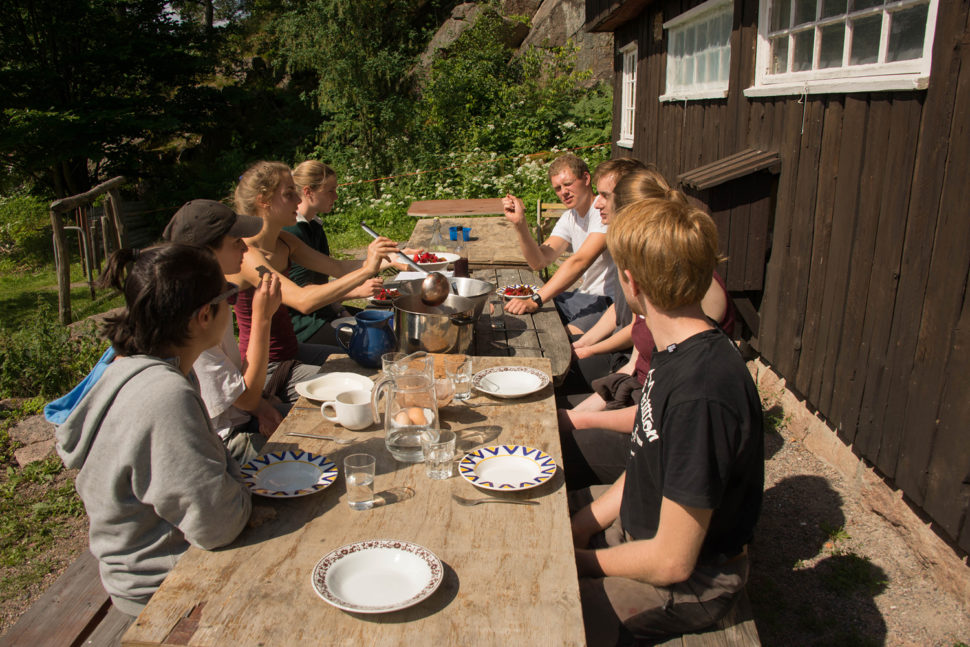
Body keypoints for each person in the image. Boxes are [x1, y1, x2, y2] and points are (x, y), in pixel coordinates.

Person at [570, 198, 764, 645]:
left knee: (545, 609)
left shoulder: (703, 393)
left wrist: (575, 560)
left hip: (691, 583)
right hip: (637, 527)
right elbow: (642, 461)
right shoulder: (675, 346)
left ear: (630, 281)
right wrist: (579, 526)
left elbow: (671, 562)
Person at [51, 243, 252, 617]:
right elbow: (219, 525)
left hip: (153, 561)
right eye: (230, 296)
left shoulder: (144, 366)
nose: (233, 305)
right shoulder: (166, 395)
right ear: (205, 315)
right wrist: (239, 487)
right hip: (163, 584)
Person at [559, 168, 735, 488]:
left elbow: (657, 422)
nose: (598, 204)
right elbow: (634, 367)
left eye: (606, 196)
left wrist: (577, 420)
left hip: (650, 437)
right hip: (640, 408)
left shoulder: (692, 351)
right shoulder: (668, 311)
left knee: (551, 451)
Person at [228, 161, 400, 402]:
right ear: (263, 200)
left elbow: (338, 267)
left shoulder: (284, 241)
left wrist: (394, 258)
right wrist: (366, 271)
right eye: (289, 194)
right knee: (371, 386)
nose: (298, 202)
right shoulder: (246, 255)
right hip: (267, 369)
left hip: (293, 351)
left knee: (374, 363)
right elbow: (303, 301)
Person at [163, 199, 284, 465]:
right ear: (206, 253)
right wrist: (262, 318)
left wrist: (262, 404)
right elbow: (244, 398)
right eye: (235, 242)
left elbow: (239, 388)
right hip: (222, 443)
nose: (245, 246)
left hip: (243, 417)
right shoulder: (195, 316)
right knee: (314, 453)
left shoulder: (212, 292)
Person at [501, 153, 617, 334]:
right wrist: (520, 224)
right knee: (512, 314)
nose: (563, 192)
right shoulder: (570, 217)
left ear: (586, 178)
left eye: (568, 184)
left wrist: (535, 300)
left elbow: (580, 262)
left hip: (606, 302)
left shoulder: (604, 213)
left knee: (556, 337)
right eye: (557, 188)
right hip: (581, 295)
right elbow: (539, 261)